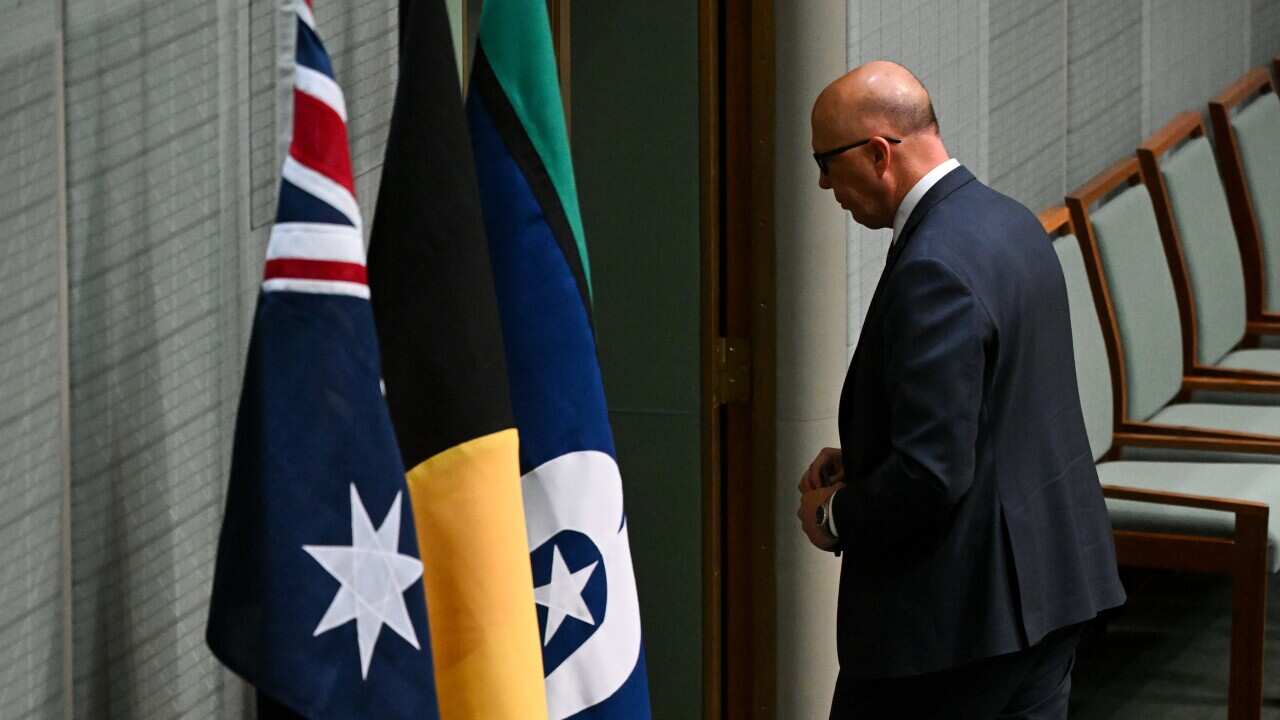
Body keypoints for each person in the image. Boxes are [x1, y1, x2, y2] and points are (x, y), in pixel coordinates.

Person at [796, 61, 1126, 719]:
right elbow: (997, 410)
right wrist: (867, 454)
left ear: (879, 153)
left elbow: (930, 472)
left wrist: (835, 514)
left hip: (952, 632)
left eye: (826, 162)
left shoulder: (933, 267)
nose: (824, 183)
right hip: (1048, 595)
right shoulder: (1009, 222)